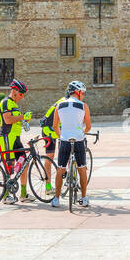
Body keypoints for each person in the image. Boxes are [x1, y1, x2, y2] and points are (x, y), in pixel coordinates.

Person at [51, 80, 91, 208]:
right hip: (78, 140)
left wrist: (61, 136)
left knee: (60, 168)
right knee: (82, 168)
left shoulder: (59, 105)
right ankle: (84, 198)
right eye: (83, 93)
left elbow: (54, 126)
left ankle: (56, 199)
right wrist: (82, 132)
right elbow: (88, 126)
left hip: (64, 140)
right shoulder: (83, 106)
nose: (83, 95)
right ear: (78, 92)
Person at [0, 79, 30, 203]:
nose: (22, 97)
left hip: (16, 139)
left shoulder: (14, 105)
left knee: (24, 164)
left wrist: (24, 122)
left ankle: (23, 194)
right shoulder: (5, 102)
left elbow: (15, 120)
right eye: (21, 94)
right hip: (7, 137)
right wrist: (23, 116)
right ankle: (5, 196)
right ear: (15, 91)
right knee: (9, 166)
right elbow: (8, 120)